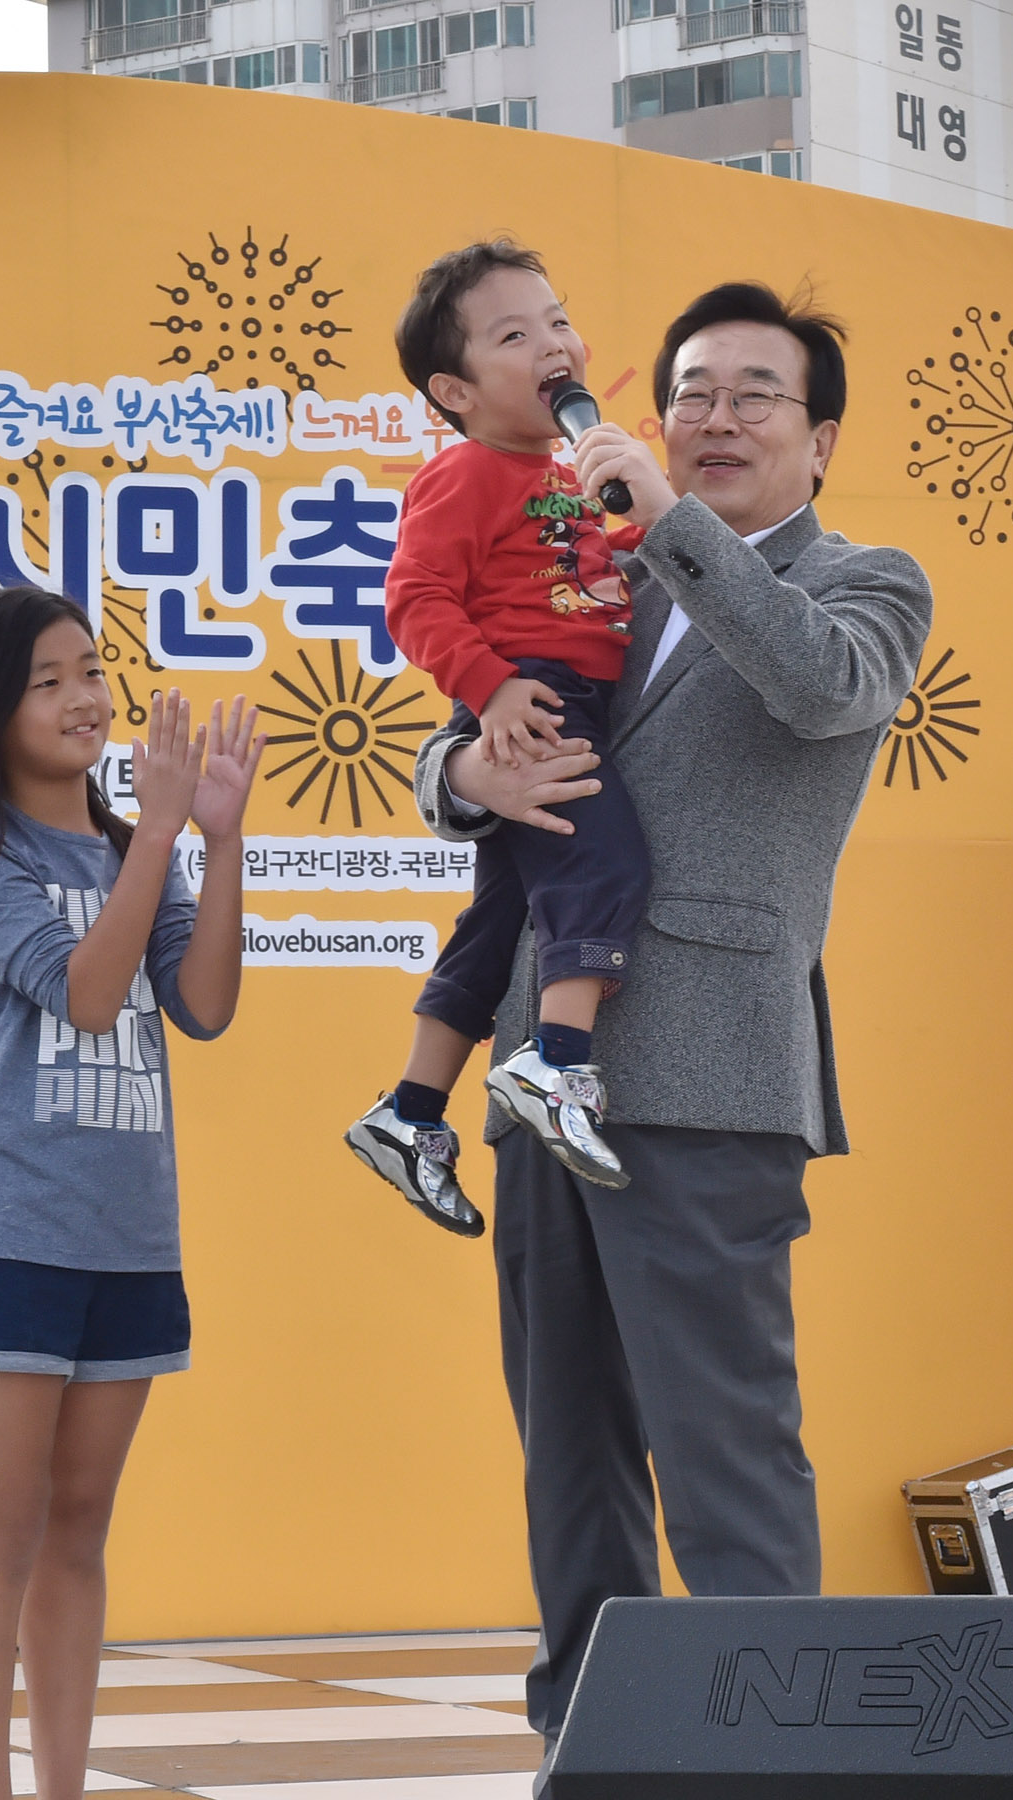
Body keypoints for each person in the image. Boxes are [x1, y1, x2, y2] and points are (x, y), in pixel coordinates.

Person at [413, 282, 933, 1766]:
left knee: (723, 1448)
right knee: (568, 1449)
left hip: (711, 1075)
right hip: (546, 1070)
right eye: (691, 391)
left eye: (755, 394)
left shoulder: (866, 583)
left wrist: (672, 528)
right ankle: (588, 1743)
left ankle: (775, 1760)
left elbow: (823, 691)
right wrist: (466, 779)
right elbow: (466, 737)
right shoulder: (597, 571)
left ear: (819, 441)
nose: (714, 417)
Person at [0, 584, 264, 1800]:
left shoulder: (122, 845)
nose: (84, 697)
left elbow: (202, 1005)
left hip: (129, 1237)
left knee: (79, 1530)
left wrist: (216, 840)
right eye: (46, 681)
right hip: (10, 1230)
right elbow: (88, 994)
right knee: (1, 1530)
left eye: (92, 671)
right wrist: (156, 837)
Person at [345, 239, 652, 1234]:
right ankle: (556, 1066)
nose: (553, 343)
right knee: (606, 867)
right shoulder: (467, 473)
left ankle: (410, 1111)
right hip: (535, 699)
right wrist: (493, 688)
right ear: (456, 391)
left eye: (559, 321)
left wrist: (646, 514)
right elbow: (415, 597)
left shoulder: (568, 476)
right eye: (516, 335)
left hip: (562, 695)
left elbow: (605, 576)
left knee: (501, 922)